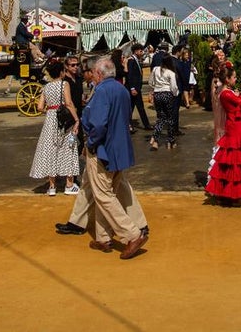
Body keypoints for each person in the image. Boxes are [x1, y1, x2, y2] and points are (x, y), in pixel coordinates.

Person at [80, 55, 148, 259]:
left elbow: (99, 124)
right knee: (107, 192)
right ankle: (103, 237)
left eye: (93, 73)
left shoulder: (101, 91)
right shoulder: (121, 89)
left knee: (103, 195)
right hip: (120, 149)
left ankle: (132, 234)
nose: (92, 76)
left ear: (99, 74)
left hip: (103, 149)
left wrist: (91, 144)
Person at [205, 66, 241, 204]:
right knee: (236, 162)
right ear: (227, 79)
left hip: (234, 128)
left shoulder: (227, 92)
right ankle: (235, 194)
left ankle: (233, 193)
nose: (236, 79)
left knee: (234, 163)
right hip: (234, 130)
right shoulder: (226, 94)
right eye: (234, 77)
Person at [29, 61, 80, 196]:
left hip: (51, 119)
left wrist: (50, 110)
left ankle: (52, 186)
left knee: (51, 150)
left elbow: (40, 107)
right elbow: (68, 103)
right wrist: (76, 119)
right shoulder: (65, 84)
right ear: (62, 72)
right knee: (68, 149)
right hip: (63, 120)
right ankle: (69, 184)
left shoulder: (46, 87)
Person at [148, 54, 180, 150]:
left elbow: (150, 82)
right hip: (167, 94)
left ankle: (155, 137)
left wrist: (155, 88)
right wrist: (176, 94)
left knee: (160, 117)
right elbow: (174, 87)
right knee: (170, 118)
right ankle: (170, 141)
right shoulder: (171, 73)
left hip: (157, 94)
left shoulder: (155, 69)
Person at [124, 43, 152, 132]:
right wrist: (132, 88)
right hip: (133, 89)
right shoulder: (131, 60)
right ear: (136, 51)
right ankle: (129, 125)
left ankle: (145, 125)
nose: (142, 52)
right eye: (141, 51)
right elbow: (130, 75)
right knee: (132, 108)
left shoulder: (137, 60)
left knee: (139, 108)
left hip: (137, 88)